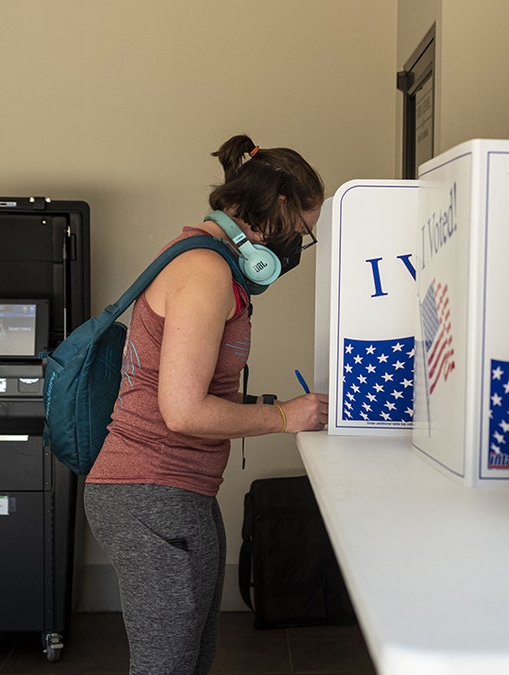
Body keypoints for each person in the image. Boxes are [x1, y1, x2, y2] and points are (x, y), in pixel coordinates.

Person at [84, 132, 330, 674]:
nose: (296, 248)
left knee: (189, 661)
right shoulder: (205, 271)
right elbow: (184, 411)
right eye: (301, 232)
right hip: (149, 491)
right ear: (280, 207)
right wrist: (285, 416)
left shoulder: (213, 262)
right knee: (166, 667)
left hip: (174, 490)